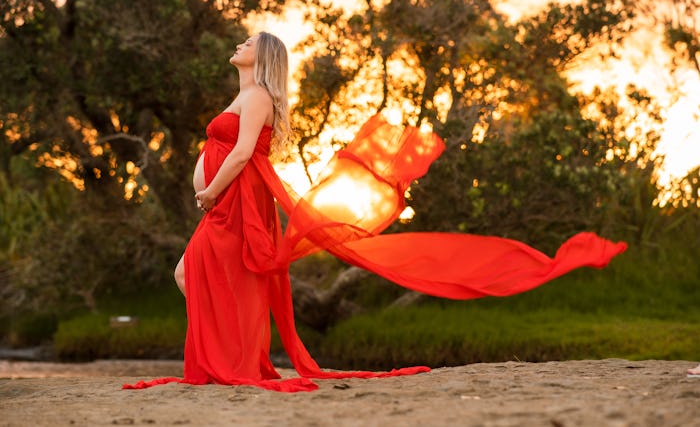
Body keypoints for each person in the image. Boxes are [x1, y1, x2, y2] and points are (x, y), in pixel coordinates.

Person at [124, 31, 627, 393]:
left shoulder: (257, 95)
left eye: (249, 41)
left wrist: (210, 190)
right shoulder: (243, 94)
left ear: (265, 55)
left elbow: (239, 155)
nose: (239, 45)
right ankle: (226, 359)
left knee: (198, 273)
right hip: (225, 203)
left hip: (234, 204)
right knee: (198, 273)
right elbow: (227, 146)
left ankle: (228, 362)